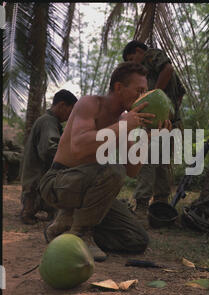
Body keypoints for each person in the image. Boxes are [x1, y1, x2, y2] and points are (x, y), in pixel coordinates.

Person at [39, 62, 172, 262]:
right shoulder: (89, 104)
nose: (143, 96)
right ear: (119, 88)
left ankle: (65, 226)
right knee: (112, 168)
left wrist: (147, 136)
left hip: (89, 191)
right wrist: (123, 126)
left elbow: (132, 170)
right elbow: (78, 147)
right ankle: (79, 235)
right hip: (58, 183)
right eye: (139, 91)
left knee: (137, 240)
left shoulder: (125, 121)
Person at [122, 40, 186, 213]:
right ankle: (161, 203)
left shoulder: (150, 55)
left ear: (137, 51)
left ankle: (143, 204)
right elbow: (180, 93)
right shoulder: (145, 73)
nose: (132, 64)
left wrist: (154, 95)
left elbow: (168, 69)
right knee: (160, 162)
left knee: (148, 159)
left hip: (161, 123)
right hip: (168, 122)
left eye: (130, 59)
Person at [20, 89, 78, 225]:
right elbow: (49, 150)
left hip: (35, 180)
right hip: (36, 182)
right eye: (71, 111)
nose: (71, 116)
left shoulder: (49, 121)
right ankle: (29, 210)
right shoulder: (48, 122)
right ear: (62, 105)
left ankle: (40, 209)